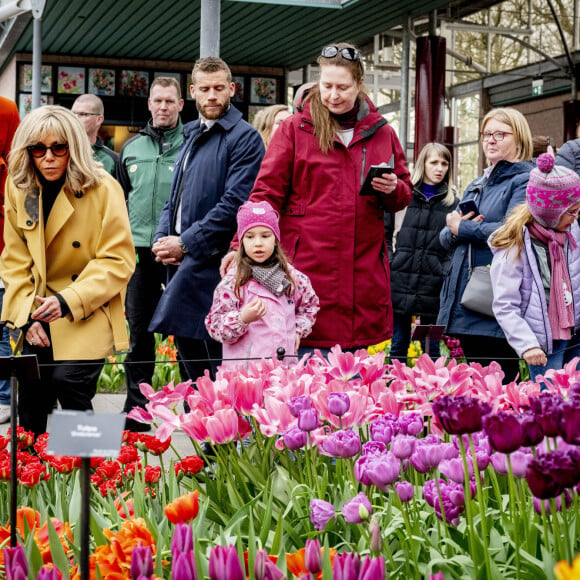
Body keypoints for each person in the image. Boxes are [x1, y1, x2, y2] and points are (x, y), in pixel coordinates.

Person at [228, 42, 412, 353]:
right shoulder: (294, 129)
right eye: (327, 86)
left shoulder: (383, 133)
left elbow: (404, 192)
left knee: (355, 388)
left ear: (359, 85)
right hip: (307, 269)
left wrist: (394, 188)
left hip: (363, 273)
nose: (334, 95)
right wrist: (238, 246)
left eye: (343, 87)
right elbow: (265, 194)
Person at [0, 105, 135, 437]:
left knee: (70, 385)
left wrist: (67, 300)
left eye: (58, 148)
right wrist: (28, 314)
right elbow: (15, 259)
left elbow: (117, 259)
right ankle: (34, 482)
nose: (48, 157)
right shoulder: (22, 187)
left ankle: (86, 481)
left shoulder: (102, 187)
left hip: (87, 307)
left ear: (73, 148)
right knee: (31, 398)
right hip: (37, 310)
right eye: (38, 149)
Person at [149, 57, 264, 382]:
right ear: (194, 92)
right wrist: (162, 238)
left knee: (217, 370)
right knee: (191, 370)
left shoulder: (245, 138)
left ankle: (221, 433)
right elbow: (174, 200)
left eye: (218, 88)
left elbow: (234, 205)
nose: (211, 96)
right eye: (204, 89)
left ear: (231, 89)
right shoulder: (191, 135)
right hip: (182, 263)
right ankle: (202, 431)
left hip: (214, 267)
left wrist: (184, 243)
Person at [437, 107, 534, 381]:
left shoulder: (525, 180)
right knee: (480, 384)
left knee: (501, 383)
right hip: (467, 299)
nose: (490, 140)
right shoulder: (478, 183)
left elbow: (512, 229)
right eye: (486, 134)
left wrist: (464, 227)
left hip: (497, 300)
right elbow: (446, 236)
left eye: (500, 134)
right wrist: (457, 228)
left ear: (519, 138)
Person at [117, 76, 184, 432]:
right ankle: (135, 409)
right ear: (149, 104)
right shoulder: (131, 149)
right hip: (139, 253)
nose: (163, 107)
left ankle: (194, 407)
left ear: (179, 106)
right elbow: (121, 198)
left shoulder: (191, 143)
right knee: (139, 334)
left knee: (189, 333)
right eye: (157, 101)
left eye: (169, 102)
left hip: (179, 253)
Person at [490, 154, 580, 382]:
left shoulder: (571, 231)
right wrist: (527, 344)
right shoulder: (514, 245)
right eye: (571, 211)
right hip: (543, 344)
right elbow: (505, 304)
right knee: (549, 401)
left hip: (575, 333)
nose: (575, 217)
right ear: (550, 211)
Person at [205, 200, 319, 366]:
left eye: (265, 235)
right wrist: (242, 318)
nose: (258, 243)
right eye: (250, 237)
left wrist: (297, 330)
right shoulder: (233, 282)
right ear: (242, 241)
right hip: (245, 375)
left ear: (275, 239)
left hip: (284, 371)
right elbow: (215, 326)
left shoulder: (293, 278)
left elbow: (310, 305)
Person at [386, 142, 458, 362]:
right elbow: (386, 233)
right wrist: (391, 262)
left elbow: (456, 242)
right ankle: (393, 390)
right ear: (422, 164)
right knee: (399, 344)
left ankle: (431, 393)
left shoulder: (453, 202)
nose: (439, 168)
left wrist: (444, 269)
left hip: (433, 283)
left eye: (444, 163)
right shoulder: (404, 196)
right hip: (401, 278)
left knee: (431, 347)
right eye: (434, 162)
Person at [0, 97, 19, 424]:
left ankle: (4, 396)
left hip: (3, 240)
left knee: (4, 323)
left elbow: (17, 169)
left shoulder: (6, 109)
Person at [71, 94, 118, 176]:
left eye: (82, 114)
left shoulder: (112, 159)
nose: (75, 118)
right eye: (72, 114)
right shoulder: (60, 151)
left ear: (99, 120)